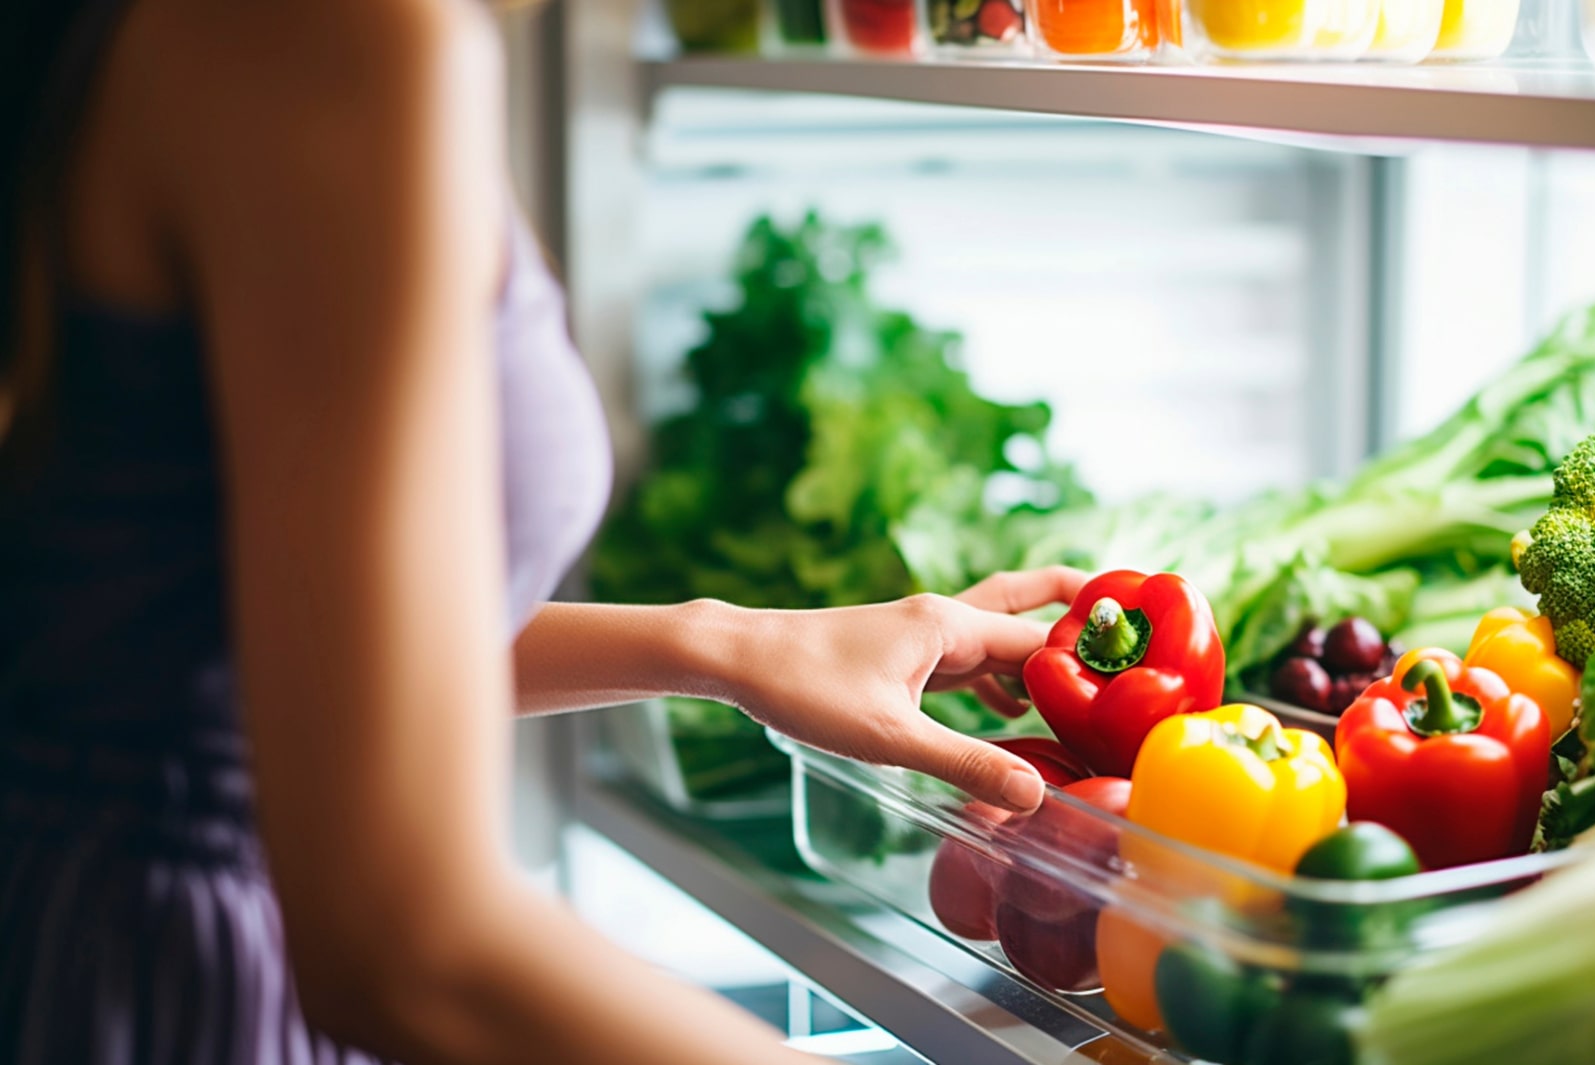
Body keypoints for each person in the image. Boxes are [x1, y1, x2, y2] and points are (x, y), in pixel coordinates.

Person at [0, 1, 1083, 1061]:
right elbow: (408, 949)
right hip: (178, 985)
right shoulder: (339, 36)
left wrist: (727, 645)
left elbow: (206, 645)